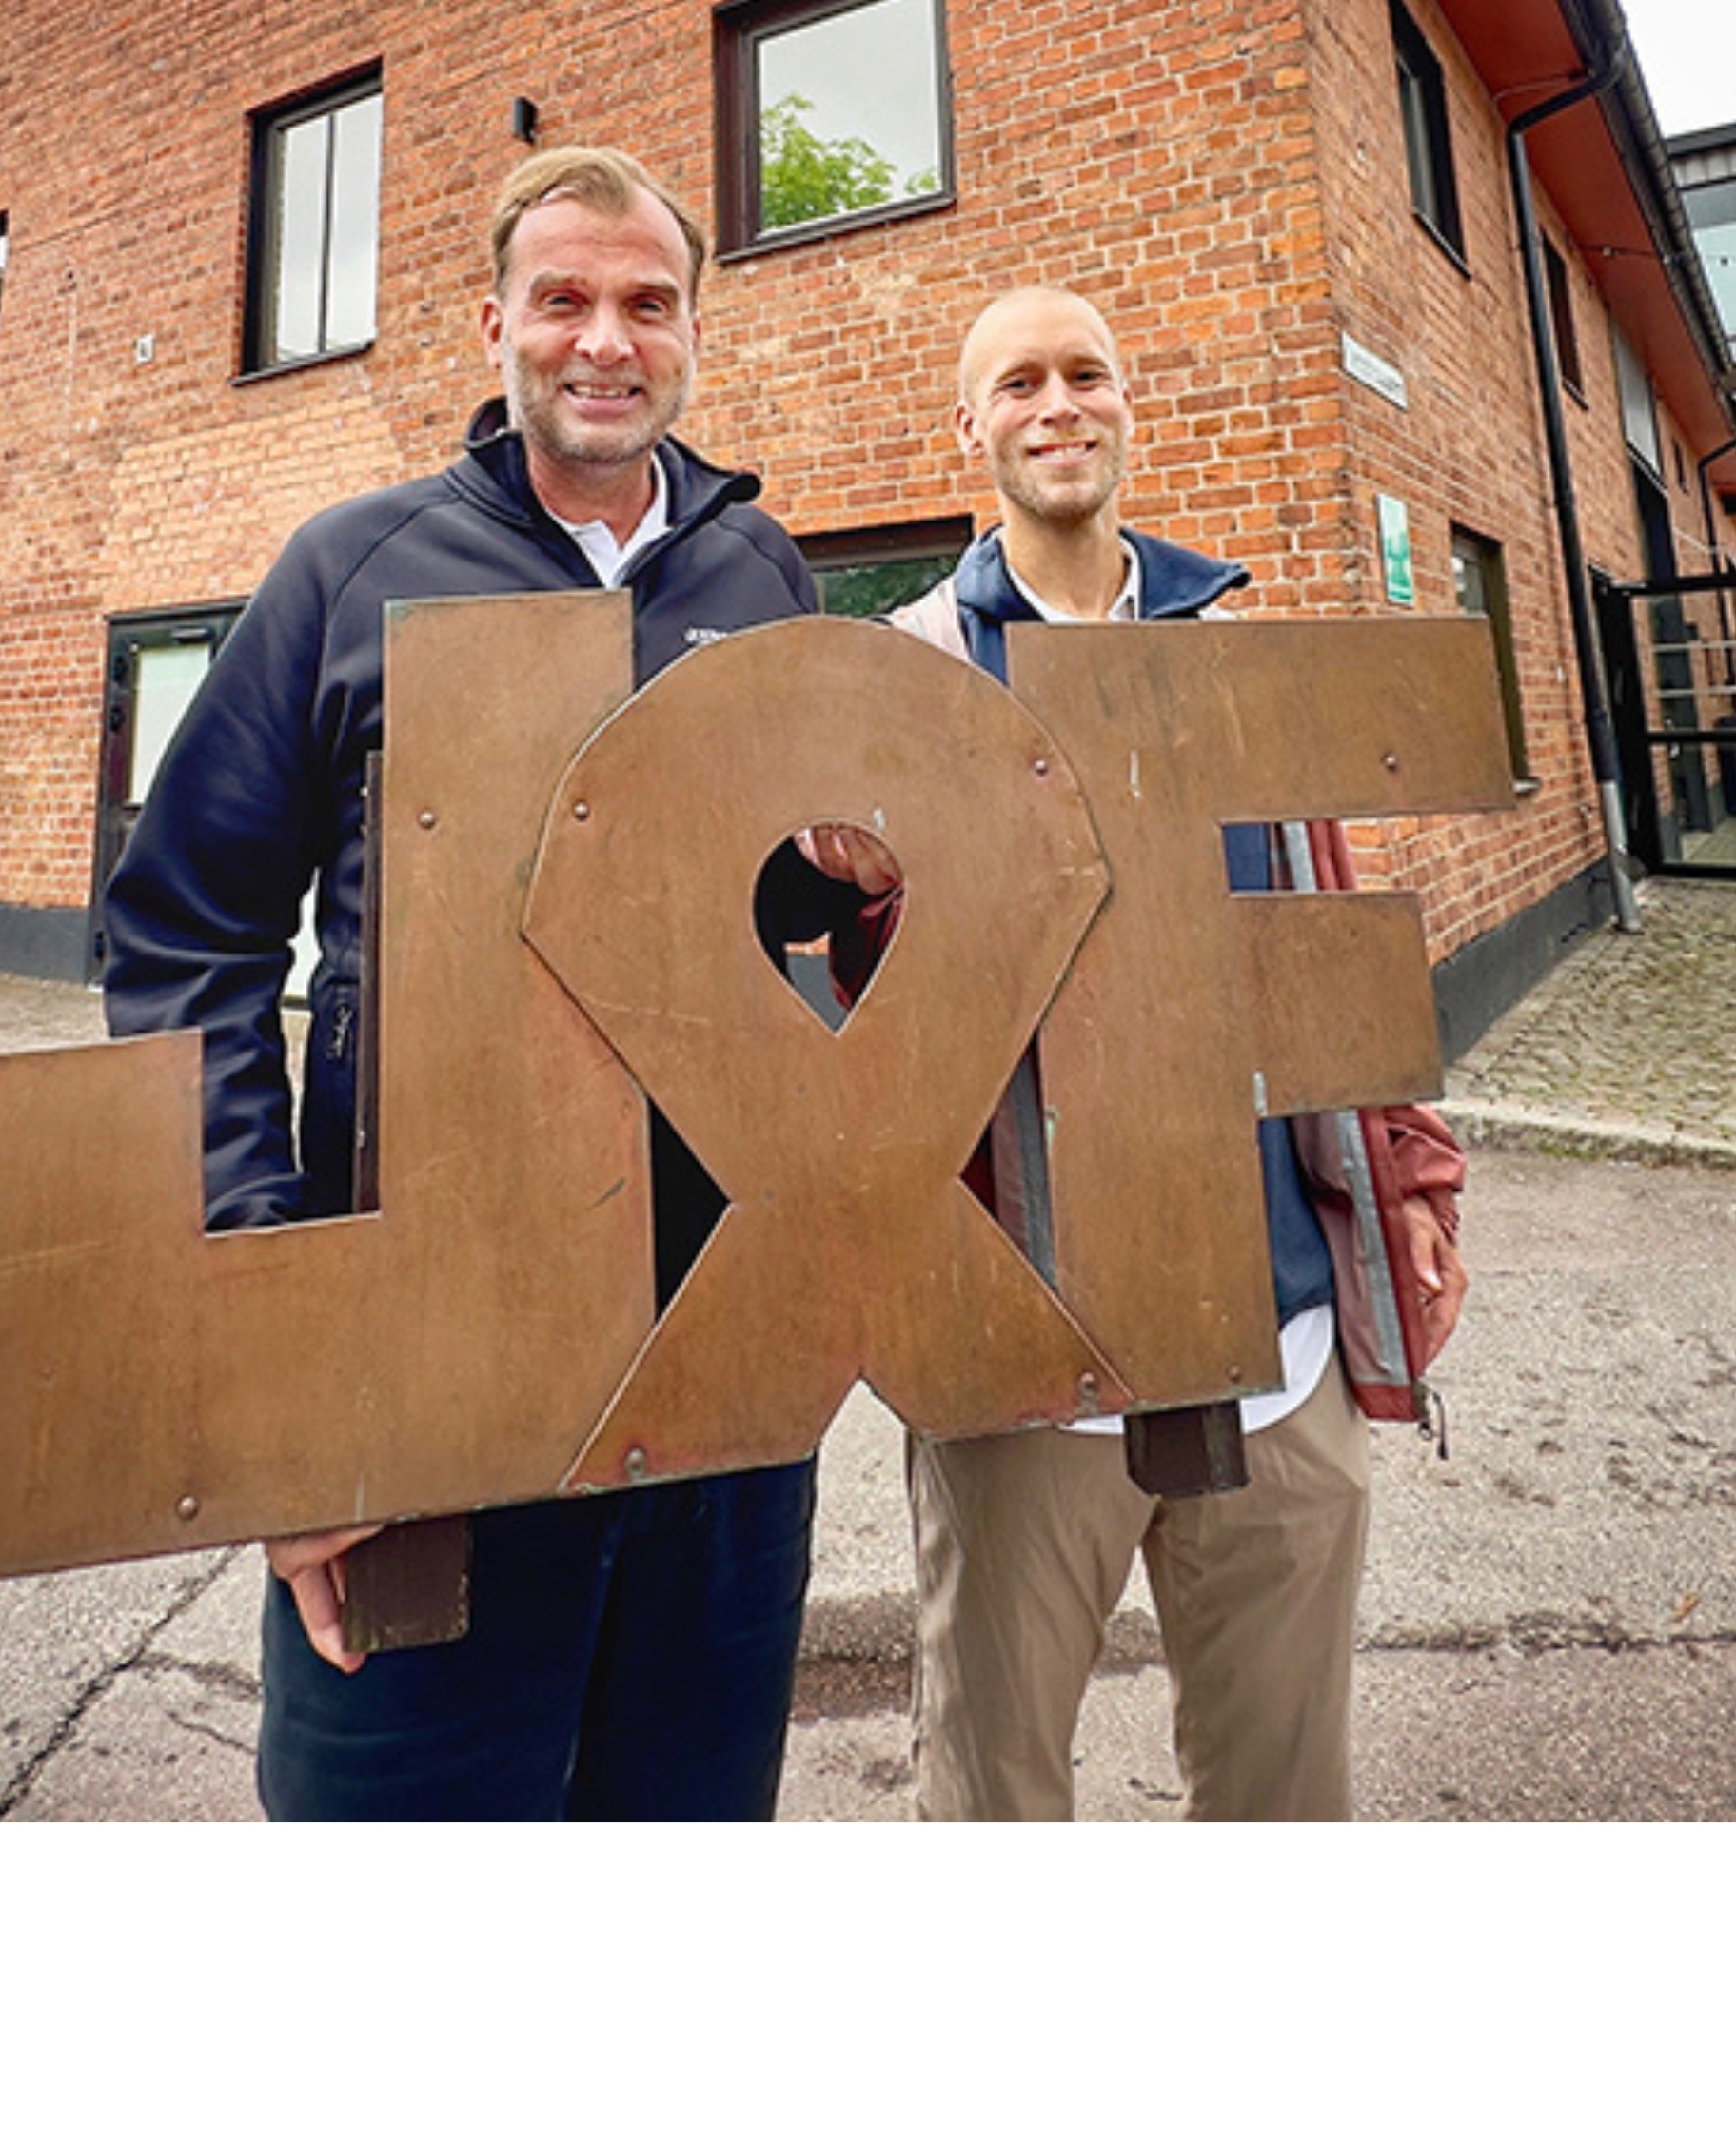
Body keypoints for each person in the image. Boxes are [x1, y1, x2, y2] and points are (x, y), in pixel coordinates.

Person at [100, 143, 887, 1820]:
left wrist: (835, 873)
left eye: (647, 304)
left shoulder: (768, 582)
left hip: (727, 1347)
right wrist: (275, 1349)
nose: (606, 338)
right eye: (564, 300)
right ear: (493, 328)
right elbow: (185, 939)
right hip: (428, 1360)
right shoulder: (346, 572)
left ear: (692, 337)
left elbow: (760, 920)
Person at [882, 283, 1469, 1821]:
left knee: (1283, 1800)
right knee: (992, 1801)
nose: (1058, 404)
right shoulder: (909, 675)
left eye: (1088, 375)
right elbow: (870, 1029)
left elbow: (1327, 934)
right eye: (1018, 384)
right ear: (970, 432)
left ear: (1130, 409)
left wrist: (1410, 1176)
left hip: (1277, 1345)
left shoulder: (1229, 652)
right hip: (1026, 1362)